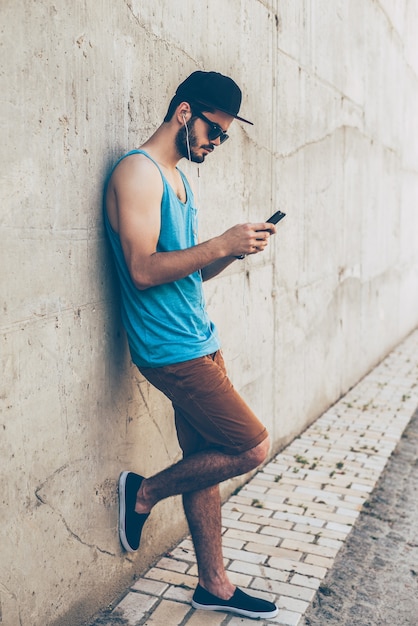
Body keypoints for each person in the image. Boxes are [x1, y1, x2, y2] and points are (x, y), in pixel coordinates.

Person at [104, 70, 279, 620]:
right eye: (213, 130)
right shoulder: (138, 172)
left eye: (223, 136)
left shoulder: (180, 180)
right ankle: (142, 493)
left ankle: (214, 586)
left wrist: (232, 251)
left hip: (200, 339)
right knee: (251, 446)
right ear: (184, 112)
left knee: (204, 458)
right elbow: (141, 270)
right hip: (170, 349)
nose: (216, 142)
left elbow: (186, 275)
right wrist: (219, 242)